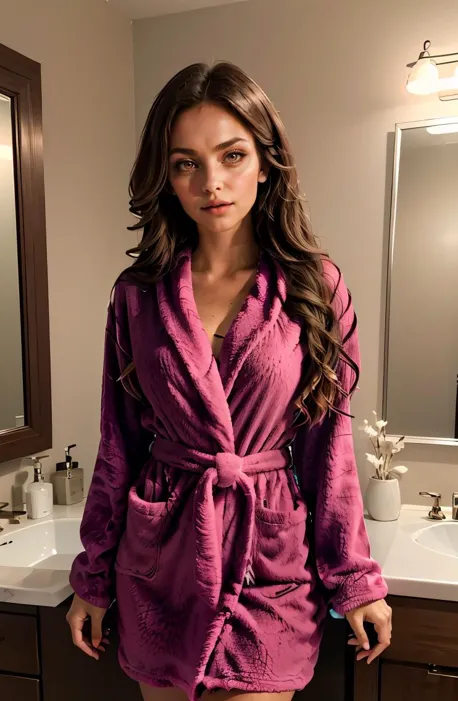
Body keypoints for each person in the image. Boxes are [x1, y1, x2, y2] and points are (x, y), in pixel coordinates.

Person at [66, 61, 391, 701]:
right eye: (186, 163)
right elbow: (116, 446)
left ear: (266, 163)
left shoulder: (314, 288)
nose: (211, 182)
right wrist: (92, 578)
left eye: (232, 155)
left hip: (266, 561)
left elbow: (331, 449)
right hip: (159, 563)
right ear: (167, 176)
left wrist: (355, 577)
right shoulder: (137, 297)